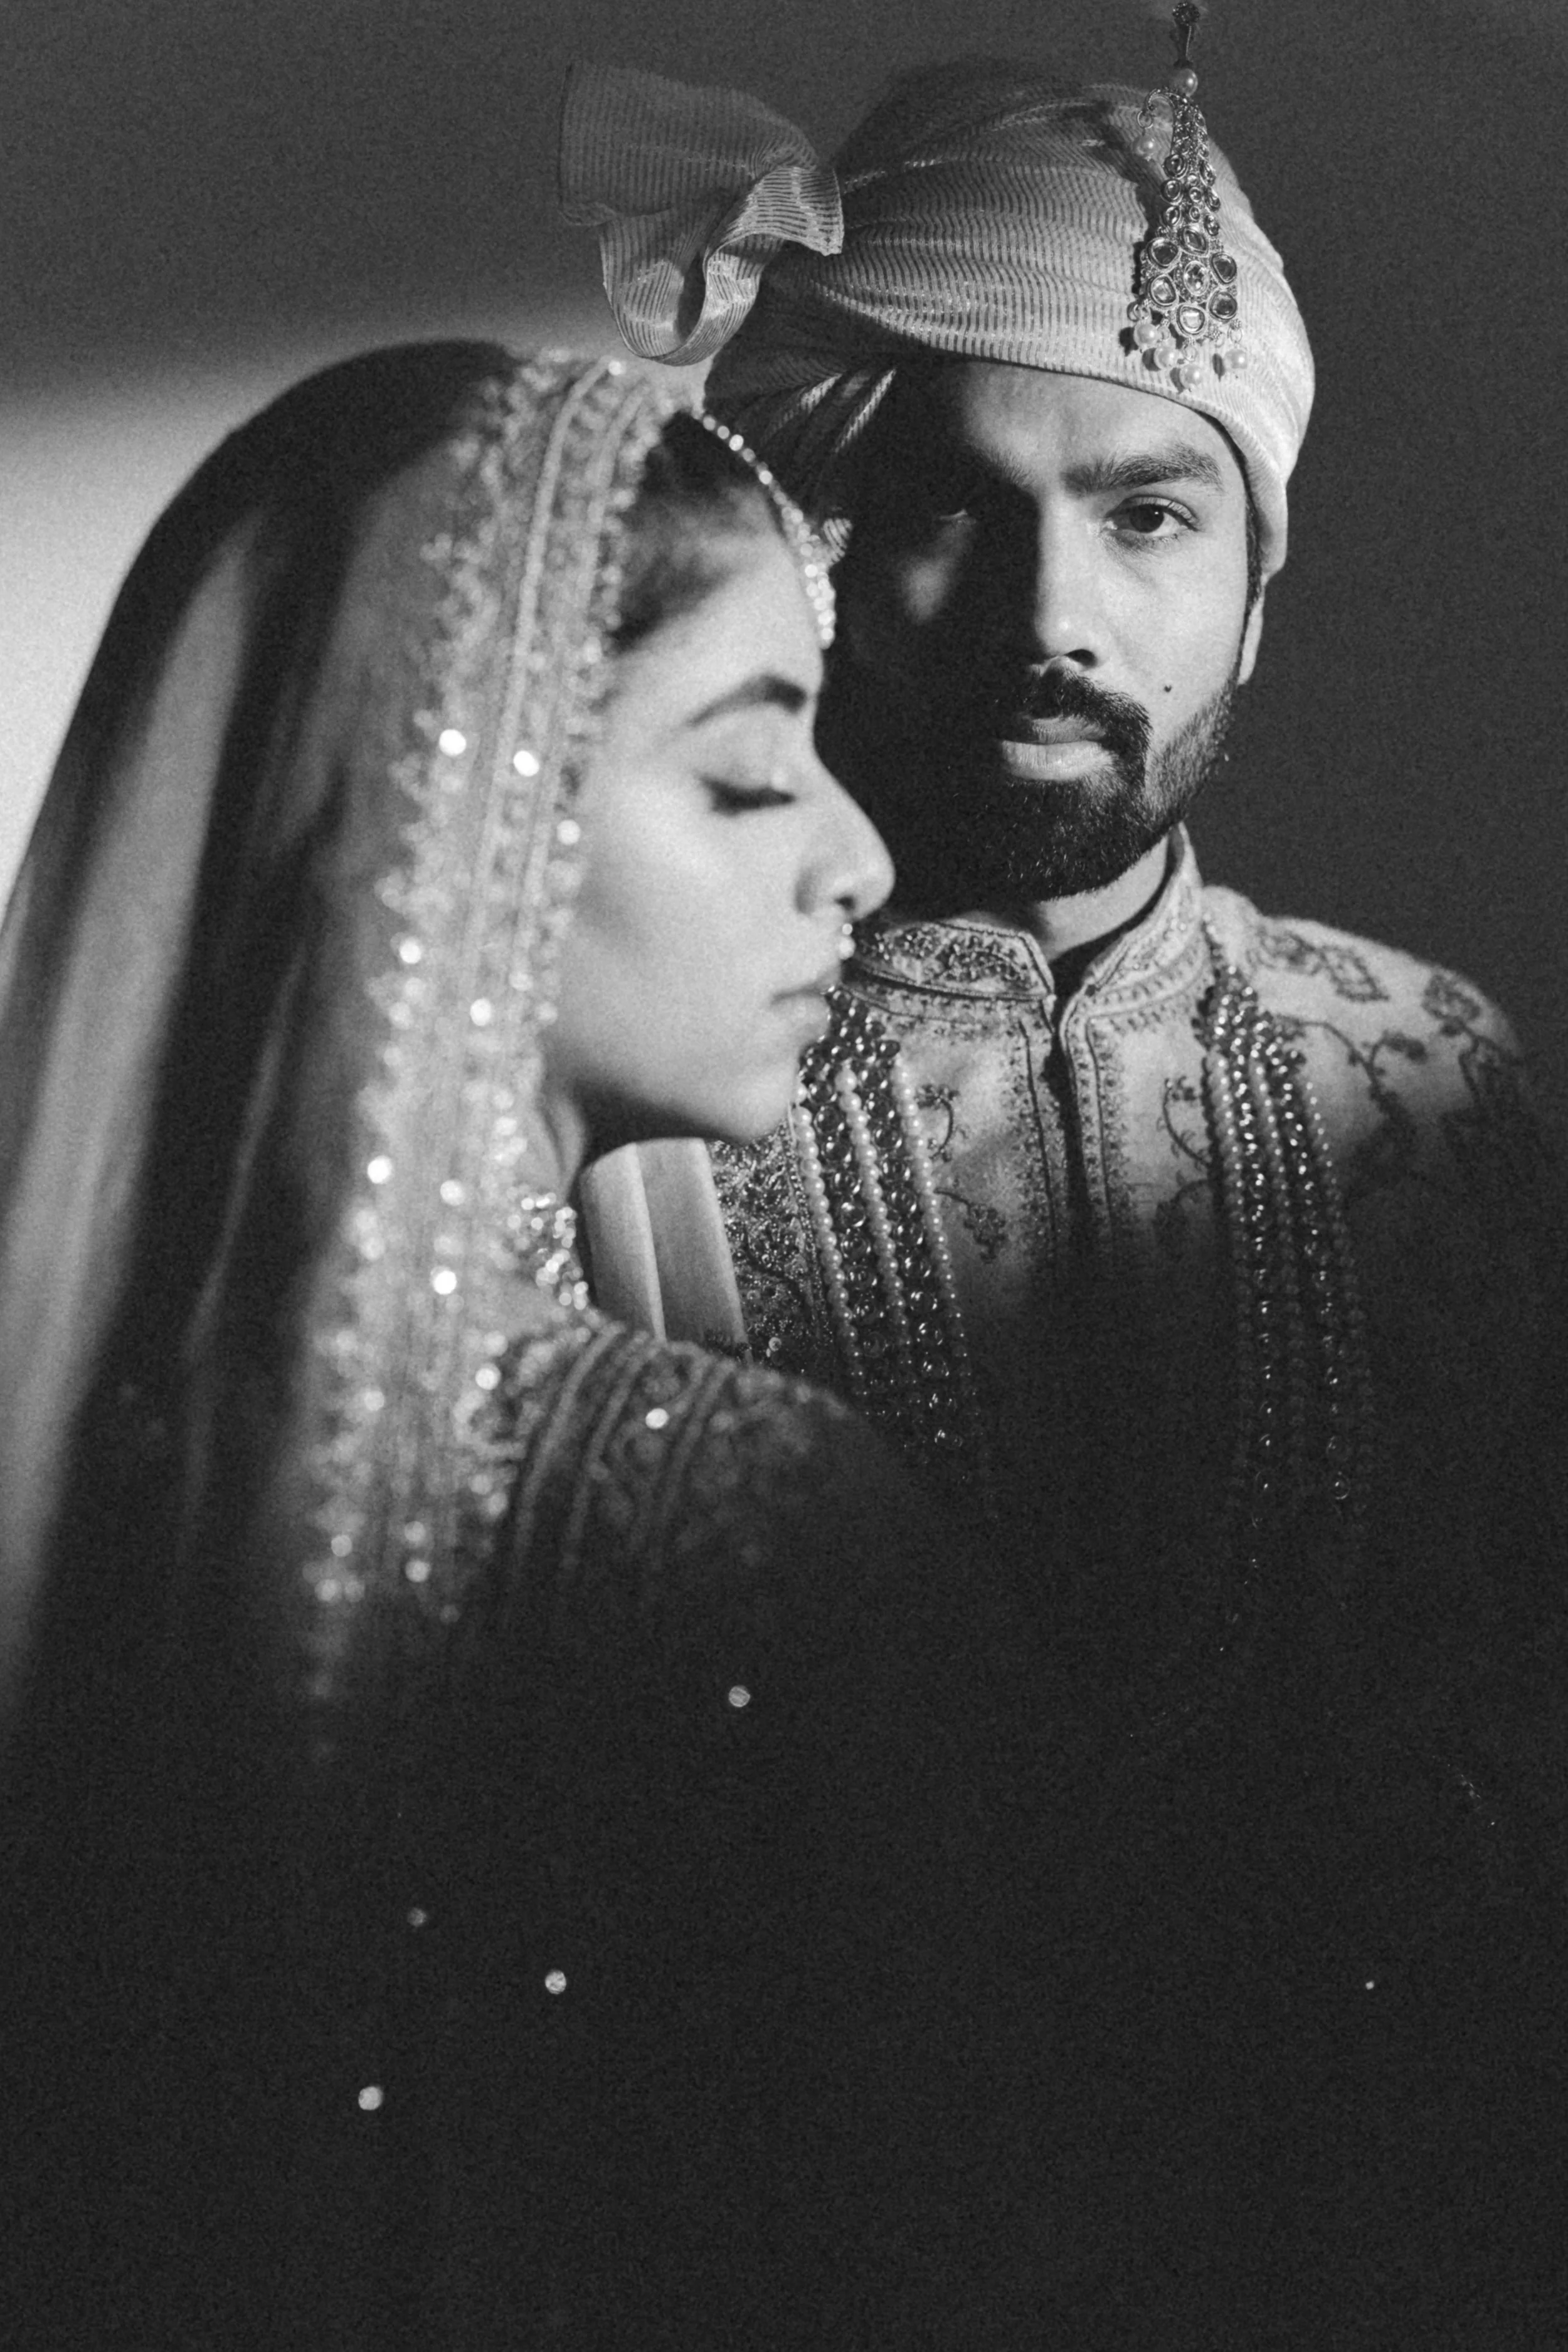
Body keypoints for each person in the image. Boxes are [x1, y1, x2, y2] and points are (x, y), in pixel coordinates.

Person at [563, 38, 1568, 2335]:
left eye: (1146, 514)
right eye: (948, 497)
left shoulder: (1431, 1073)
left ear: (1256, 581)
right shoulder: (626, 1082)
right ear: (813, 538)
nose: (1053, 607)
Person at [0, 344, 1007, 2349]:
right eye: (745, 772)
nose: (860, 859)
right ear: (445, 815)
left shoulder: (72, 1460)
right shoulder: (739, 1520)